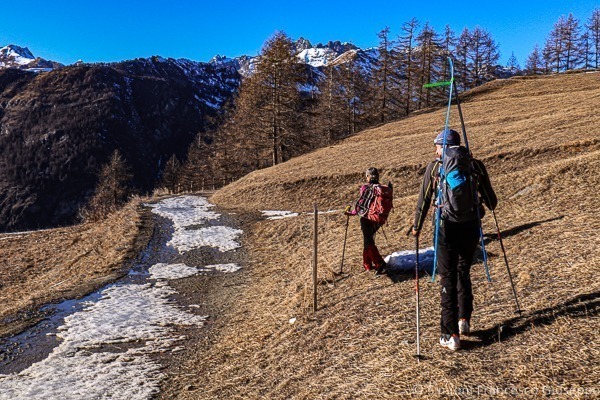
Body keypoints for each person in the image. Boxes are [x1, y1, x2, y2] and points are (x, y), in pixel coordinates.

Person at [412, 129, 497, 351]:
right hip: (470, 227)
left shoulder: (435, 168)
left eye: (436, 145)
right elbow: (492, 201)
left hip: (445, 229)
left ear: (443, 146)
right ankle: (464, 320)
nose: (435, 150)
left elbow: (423, 201)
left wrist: (416, 227)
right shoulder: (474, 165)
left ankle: (450, 334)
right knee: (463, 271)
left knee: (447, 277)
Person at [345, 167, 389, 275]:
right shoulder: (381, 189)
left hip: (366, 220)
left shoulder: (366, 187)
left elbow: (361, 206)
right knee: (368, 240)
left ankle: (379, 263)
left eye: (367, 176)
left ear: (368, 177)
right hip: (378, 220)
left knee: (368, 241)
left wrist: (350, 213)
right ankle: (367, 263)